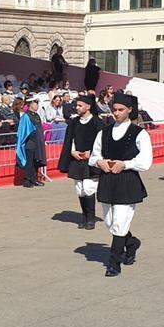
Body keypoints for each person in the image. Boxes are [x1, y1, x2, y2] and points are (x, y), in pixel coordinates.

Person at [88, 91, 151, 276]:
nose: (116, 113)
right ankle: (131, 243)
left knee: (119, 222)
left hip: (127, 181)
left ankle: (114, 263)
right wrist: (99, 162)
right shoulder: (104, 132)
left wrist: (126, 164)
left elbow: (146, 160)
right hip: (107, 179)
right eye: (114, 109)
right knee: (110, 223)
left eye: (120, 110)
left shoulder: (139, 133)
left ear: (129, 110)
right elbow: (94, 155)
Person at [58, 94, 103, 228]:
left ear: (88, 107)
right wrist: (73, 152)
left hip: (91, 161)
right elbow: (70, 139)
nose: (77, 108)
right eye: (77, 105)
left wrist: (92, 153)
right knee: (80, 189)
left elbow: (101, 140)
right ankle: (84, 216)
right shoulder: (74, 122)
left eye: (80, 105)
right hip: (77, 160)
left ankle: (91, 218)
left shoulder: (97, 122)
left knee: (89, 188)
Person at [15, 95, 46, 188]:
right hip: (30, 143)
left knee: (36, 161)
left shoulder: (36, 115)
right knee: (29, 162)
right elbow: (23, 131)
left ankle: (34, 179)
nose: (37, 105)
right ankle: (27, 180)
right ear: (30, 104)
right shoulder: (26, 116)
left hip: (37, 142)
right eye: (35, 103)